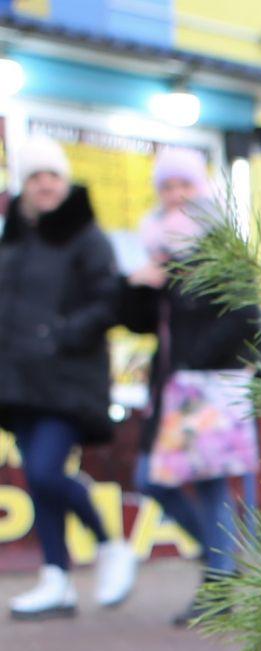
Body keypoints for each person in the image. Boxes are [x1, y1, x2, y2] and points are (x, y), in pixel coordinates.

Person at [120, 145, 261, 626]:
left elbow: (247, 316)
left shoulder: (220, 246)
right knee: (149, 479)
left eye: (184, 184)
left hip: (206, 383)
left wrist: (196, 365)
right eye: (167, 186)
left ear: (199, 189)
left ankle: (220, 581)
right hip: (169, 385)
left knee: (206, 481)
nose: (176, 194)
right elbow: (141, 323)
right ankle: (218, 554)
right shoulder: (159, 249)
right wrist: (140, 285)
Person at [1, 135, 134, 620]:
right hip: (17, 381)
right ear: (24, 186)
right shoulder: (13, 240)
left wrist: (61, 334)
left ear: (65, 180)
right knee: (39, 481)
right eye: (35, 177)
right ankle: (56, 578)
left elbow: (107, 301)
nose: (45, 185)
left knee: (43, 471)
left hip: (68, 379)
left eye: (52, 175)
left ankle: (109, 545)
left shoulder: (87, 237)